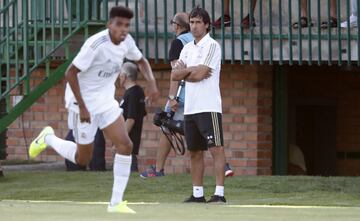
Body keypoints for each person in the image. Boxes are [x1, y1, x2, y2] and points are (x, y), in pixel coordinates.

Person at [28, 6, 159, 214]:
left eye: (126, 25)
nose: (123, 29)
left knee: (125, 145)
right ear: (109, 25)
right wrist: (82, 106)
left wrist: (151, 82)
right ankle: (48, 138)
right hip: (82, 102)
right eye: (118, 24)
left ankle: (115, 204)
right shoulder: (95, 44)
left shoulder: (127, 41)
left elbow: (141, 60)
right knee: (83, 159)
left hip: (105, 101)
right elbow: (70, 73)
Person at [172, 6, 227, 203]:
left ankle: (219, 193)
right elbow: (174, 75)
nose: (194, 26)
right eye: (192, 22)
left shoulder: (212, 46)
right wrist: (191, 71)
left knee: (216, 149)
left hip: (209, 106)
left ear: (206, 25)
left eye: (198, 23)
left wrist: (188, 72)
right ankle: (198, 195)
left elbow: (201, 74)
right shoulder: (187, 48)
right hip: (190, 108)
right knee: (194, 151)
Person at [140, 12, 193, 178]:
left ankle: (158, 169)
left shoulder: (179, 42)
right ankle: (224, 165)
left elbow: (175, 74)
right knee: (202, 129)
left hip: (181, 94)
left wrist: (172, 98)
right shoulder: (197, 39)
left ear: (177, 26)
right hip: (199, 92)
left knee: (166, 127)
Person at [118, 62, 147, 172]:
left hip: (129, 143)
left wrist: (121, 139)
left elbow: (131, 119)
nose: (119, 77)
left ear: (125, 76)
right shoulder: (130, 92)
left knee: (129, 170)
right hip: (127, 146)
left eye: (120, 74)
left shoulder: (134, 93)